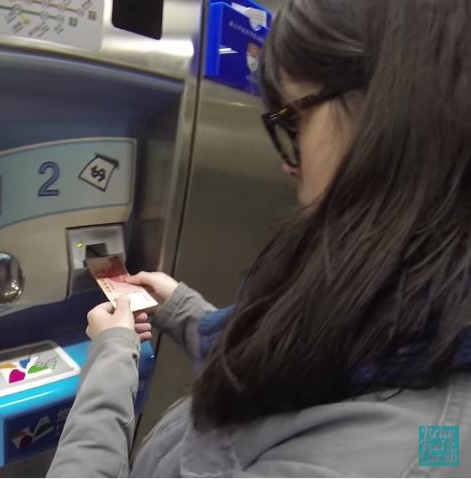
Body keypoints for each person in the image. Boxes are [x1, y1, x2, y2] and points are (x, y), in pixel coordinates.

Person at [48, 0, 471, 476]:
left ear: (389, 116)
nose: (288, 164)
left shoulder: (380, 457)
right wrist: (183, 311)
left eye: (293, 121)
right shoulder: (414, 312)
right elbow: (310, 367)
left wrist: (111, 357)